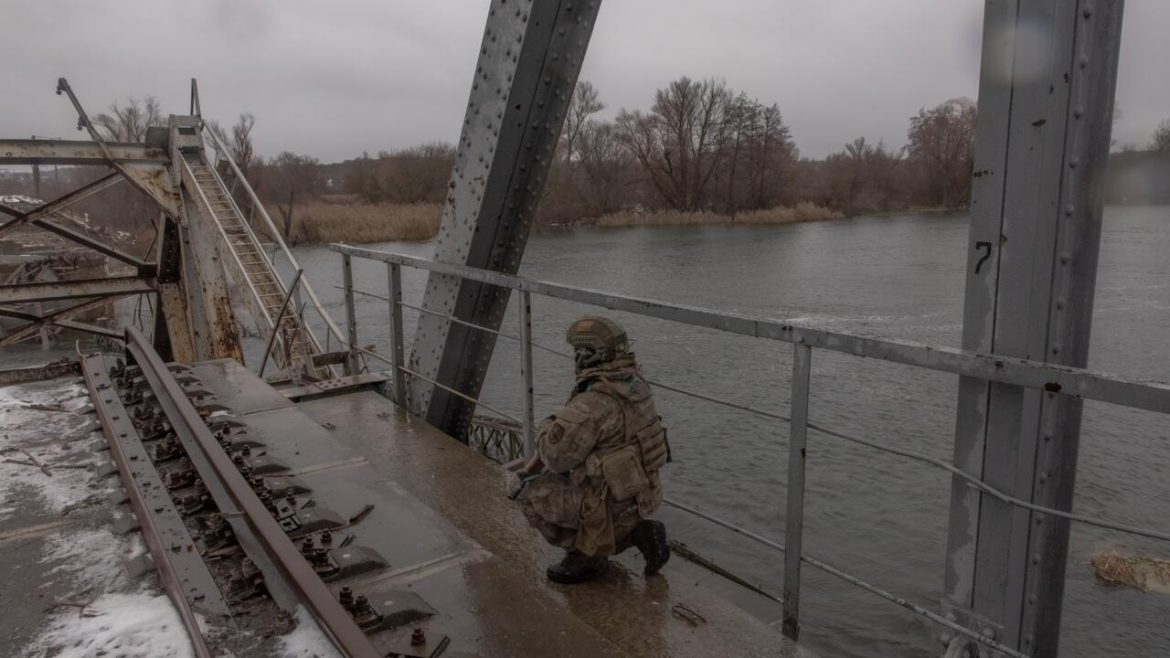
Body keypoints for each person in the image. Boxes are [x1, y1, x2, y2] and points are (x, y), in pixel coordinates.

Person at [508, 315, 671, 584]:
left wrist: (548, 426)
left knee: (524, 491)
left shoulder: (593, 401)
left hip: (611, 506)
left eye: (577, 351)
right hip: (643, 496)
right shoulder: (637, 383)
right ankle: (639, 532)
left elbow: (556, 457)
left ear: (588, 355)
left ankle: (587, 555)